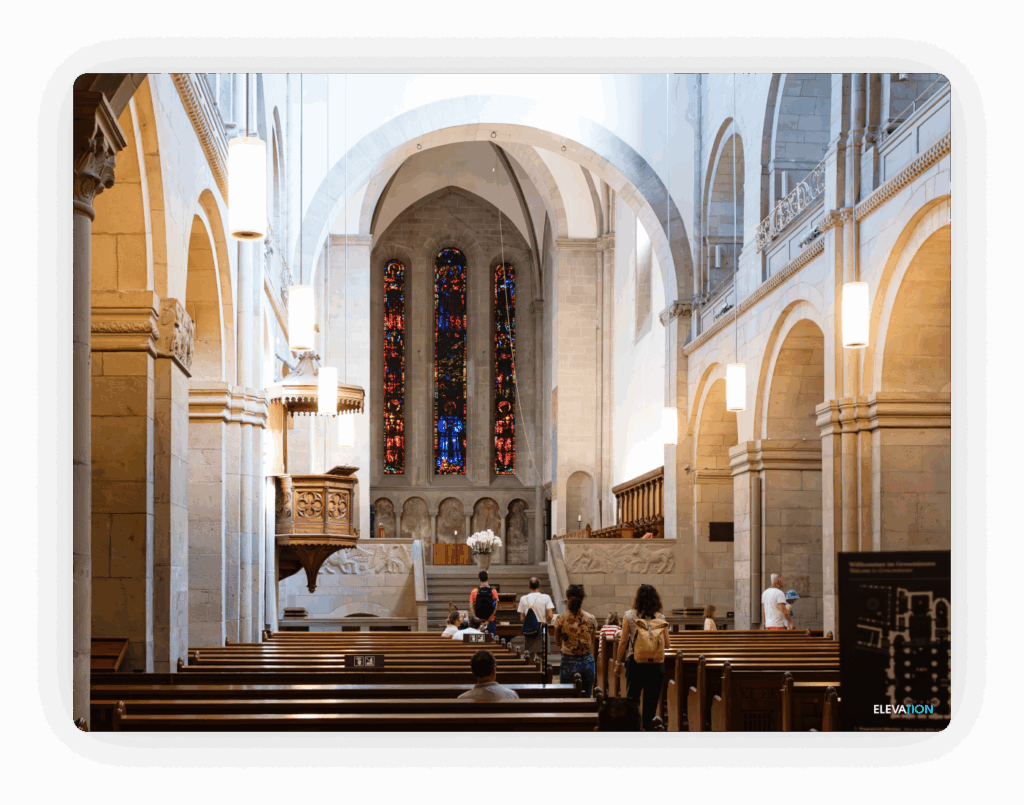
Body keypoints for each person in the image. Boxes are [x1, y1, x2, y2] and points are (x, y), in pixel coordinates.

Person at [614, 583, 666, 730]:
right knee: (651, 700)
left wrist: (618, 663)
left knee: (632, 699)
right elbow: (667, 644)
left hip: (635, 662)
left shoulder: (629, 616)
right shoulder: (661, 618)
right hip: (656, 663)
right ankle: (648, 728)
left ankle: (633, 728)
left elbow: (623, 642)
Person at [554, 584, 598, 697]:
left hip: (568, 660)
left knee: (566, 699)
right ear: (582, 599)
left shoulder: (561, 619)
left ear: (568, 598)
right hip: (587, 661)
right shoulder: (591, 619)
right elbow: (591, 640)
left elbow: (558, 642)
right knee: (586, 696)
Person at [517, 577, 554, 659]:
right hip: (542, 626)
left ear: (529, 587)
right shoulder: (546, 597)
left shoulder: (523, 598)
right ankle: (542, 670)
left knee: (530, 654)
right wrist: (543, 621)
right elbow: (551, 615)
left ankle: (532, 670)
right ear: (539, 586)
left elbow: (522, 618)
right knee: (542, 653)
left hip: (529, 628)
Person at [470, 570, 500, 635]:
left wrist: (476, 619)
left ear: (479, 579)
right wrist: (488, 620)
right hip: (490, 622)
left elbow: (471, 607)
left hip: (477, 623)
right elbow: (495, 606)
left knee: (477, 641)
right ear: (488, 578)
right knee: (491, 641)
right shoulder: (493, 591)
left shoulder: (474, 591)